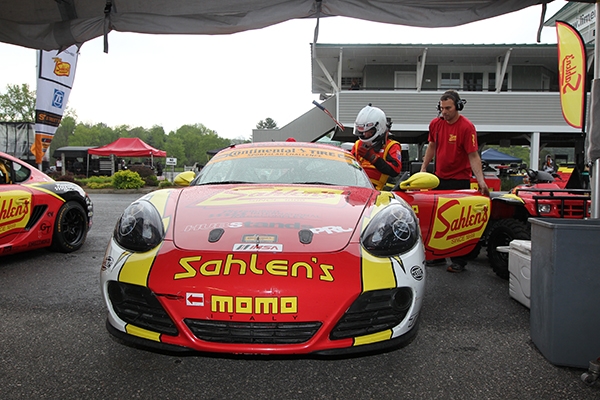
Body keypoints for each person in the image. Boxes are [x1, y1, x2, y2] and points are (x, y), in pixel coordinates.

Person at [420, 90, 489, 273]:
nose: (444, 112)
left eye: (448, 108)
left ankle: (459, 260)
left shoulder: (467, 127)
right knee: (437, 218)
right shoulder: (435, 124)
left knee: (457, 222)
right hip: (439, 178)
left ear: (458, 106)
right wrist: (424, 168)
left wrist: (481, 181)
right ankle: (438, 255)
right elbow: (432, 146)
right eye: (442, 108)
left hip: (459, 179)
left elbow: (473, 155)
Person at [351, 105, 402, 190]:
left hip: (379, 191)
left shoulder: (391, 146)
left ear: (379, 128)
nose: (365, 135)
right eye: (363, 132)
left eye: (369, 132)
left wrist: (373, 158)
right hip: (357, 187)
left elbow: (395, 170)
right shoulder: (358, 144)